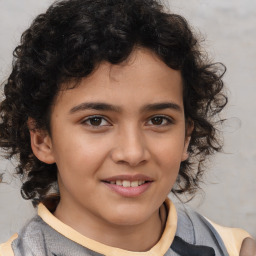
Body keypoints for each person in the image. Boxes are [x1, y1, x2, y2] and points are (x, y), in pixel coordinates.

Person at [0, 0, 255, 255]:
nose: (133, 153)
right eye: (96, 121)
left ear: (186, 137)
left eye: (158, 120)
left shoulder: (234, 250)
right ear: (43, 139)